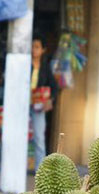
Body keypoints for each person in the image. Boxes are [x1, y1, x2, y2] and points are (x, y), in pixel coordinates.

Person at [30, 36, 58, 170]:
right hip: (22, 106)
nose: (33, 50)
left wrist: (50, 99)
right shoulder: (24, 63)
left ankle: (39, 171)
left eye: (36, 47)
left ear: (42, 50)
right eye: (32, 46)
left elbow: (54, 86)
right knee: (19, 136)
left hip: (38, 107)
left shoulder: (45, 67)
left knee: (39, 138)